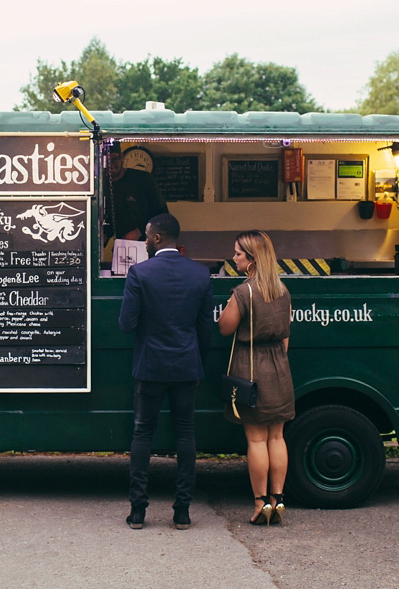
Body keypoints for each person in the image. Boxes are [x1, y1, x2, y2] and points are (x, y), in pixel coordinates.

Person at [118, 213, 214, 531]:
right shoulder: (200, 274)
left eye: (147, 236)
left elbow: (126, 324)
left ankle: (138, 511)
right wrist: (198, 363)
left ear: (157, 238)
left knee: (143, 433)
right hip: (187, 365)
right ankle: (182, 511)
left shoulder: (139, 274)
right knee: (185, 434)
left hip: (150, 365)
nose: (144, 241)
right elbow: (205, 330)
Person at [217, 230, 295, 525]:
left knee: (256, 439)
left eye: (238, 253)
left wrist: (227, 305)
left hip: (251, 368)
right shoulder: (282, 291)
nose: (234, 258)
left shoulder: (243, 292)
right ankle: (279, 499)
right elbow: (285, 338)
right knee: (277, 436)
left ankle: (261, 502)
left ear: (252, 260)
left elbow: (225, 327)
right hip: (279, 369)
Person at [106, 143, 167, 241]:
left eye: (114, 159)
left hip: (147, 244)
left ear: (121, 157)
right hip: (121, 247)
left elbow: (162, 215)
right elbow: (109, 221)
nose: (111, 165)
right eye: (106, 161)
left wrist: (140, 231)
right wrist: (103, 234)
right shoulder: (102, 185)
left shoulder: (143, 179)